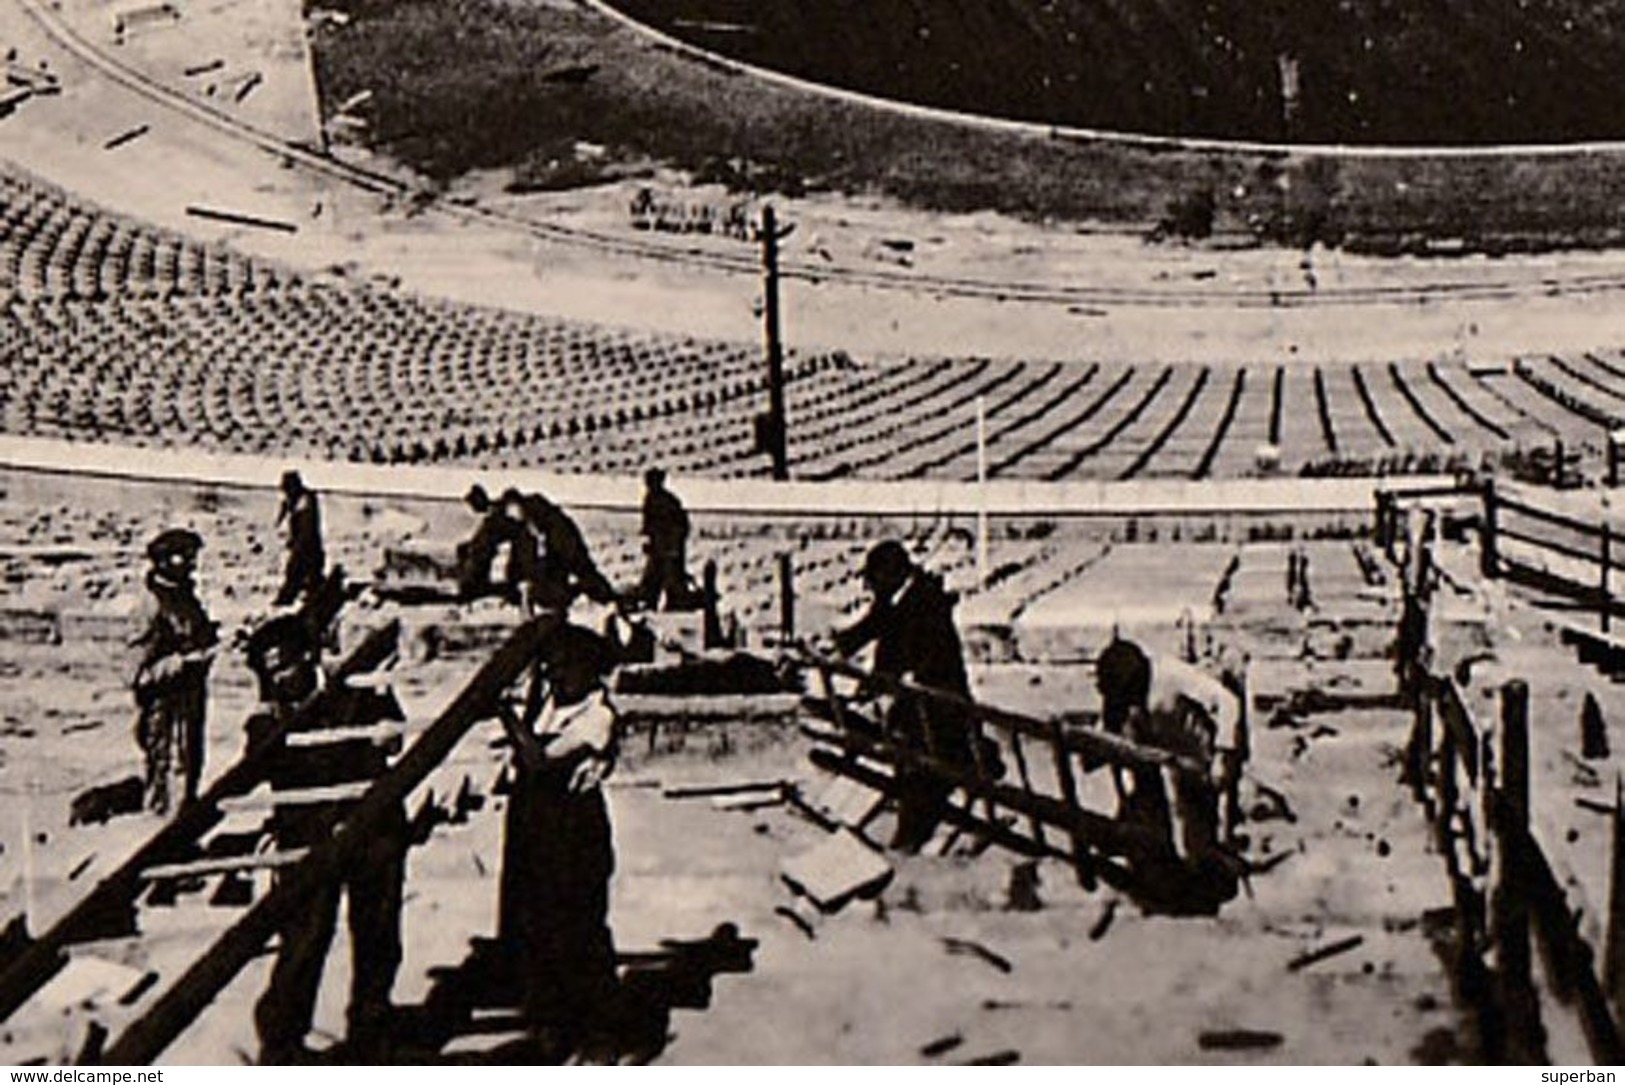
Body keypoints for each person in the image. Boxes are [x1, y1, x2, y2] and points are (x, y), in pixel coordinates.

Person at [245, 614, 407, 1064]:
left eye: (282, 666)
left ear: (309, 656)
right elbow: (252, 770)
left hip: (373, 830)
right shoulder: (270, 713)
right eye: (266, 671)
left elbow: (394, 736)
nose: (275, 678)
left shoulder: (357, 687)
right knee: (305, 936)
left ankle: (371, 1027)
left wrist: (387, 733)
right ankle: (281, 1041)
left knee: (378, 933)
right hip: (307, 837)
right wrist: (268, 724)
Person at [494, 621, 624, 1059]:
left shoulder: (597, 716)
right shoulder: (550, 703)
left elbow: (539, 759)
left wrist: (503, 712)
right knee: (537, 925)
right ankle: (553, 1027)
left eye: (565, 667)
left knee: (579, 927)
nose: (555, 675)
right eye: (551, 667)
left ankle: (601, 1033)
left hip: (574, 830)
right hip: (536, 825)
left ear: (589, 670)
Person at [832, 540, 982, 852]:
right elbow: (868, 628)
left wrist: (877, 686)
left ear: (891, 575)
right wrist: (835, 648)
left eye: (872, 579)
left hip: (941, 714)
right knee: (912, 766)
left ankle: (909, 842)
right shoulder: (897, 599)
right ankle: (907, 836)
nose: (869, 587)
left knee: (924, 773)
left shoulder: (924, 605)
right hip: (920, 709)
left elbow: (910, 660)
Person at [1094, 638, 1242, 906]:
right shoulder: (1122, 688)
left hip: (1197, 754)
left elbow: (1228, 702)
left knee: (1197, 828)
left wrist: (1223, 753)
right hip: (1154, 755)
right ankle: (1160, 876)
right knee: (1148, 817)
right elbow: (1109, 723)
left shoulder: (1173, 675)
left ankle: (1210, 887)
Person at [129, 528, 218, 815]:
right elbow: (138, 671)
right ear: (164, 560)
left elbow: (200, 634)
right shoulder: (150, 604)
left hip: (190, 699)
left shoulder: (185, 596)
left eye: (194, 557)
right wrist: (182, 662)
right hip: (165, 705)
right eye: (185, 557)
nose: (192, 563)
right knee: (169, 768)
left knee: (190, 764)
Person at [514, 492, 616, 615]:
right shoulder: (527, 530)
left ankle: (606, 599)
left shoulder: (557, 528)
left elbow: (578, 563)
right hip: (551, 571)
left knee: (584, 573)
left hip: (563, 559)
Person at [633, 468, 692, 611]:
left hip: (669, 546)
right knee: (654, 577)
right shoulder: (652, 499)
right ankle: (651, 602)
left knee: (669, 577)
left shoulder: (666, 501)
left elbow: (679, 525)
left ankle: (674, 603)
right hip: (660, 546)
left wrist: (672, 546)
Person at [456, 484, 526, 603]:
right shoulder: (493, 514)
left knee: (475, 555)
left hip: (490, 553)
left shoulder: (496, 516)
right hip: (486, 553)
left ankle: (473, 586)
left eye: (473, 504)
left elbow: (507, 530)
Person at [274, 470, 325, 608]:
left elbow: (306, 529)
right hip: (307, 547)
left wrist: (297, 545)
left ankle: (285, 602)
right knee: (311, 578)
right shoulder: (301, 500)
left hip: (307, 548)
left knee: (297, 573)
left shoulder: (304, 502)